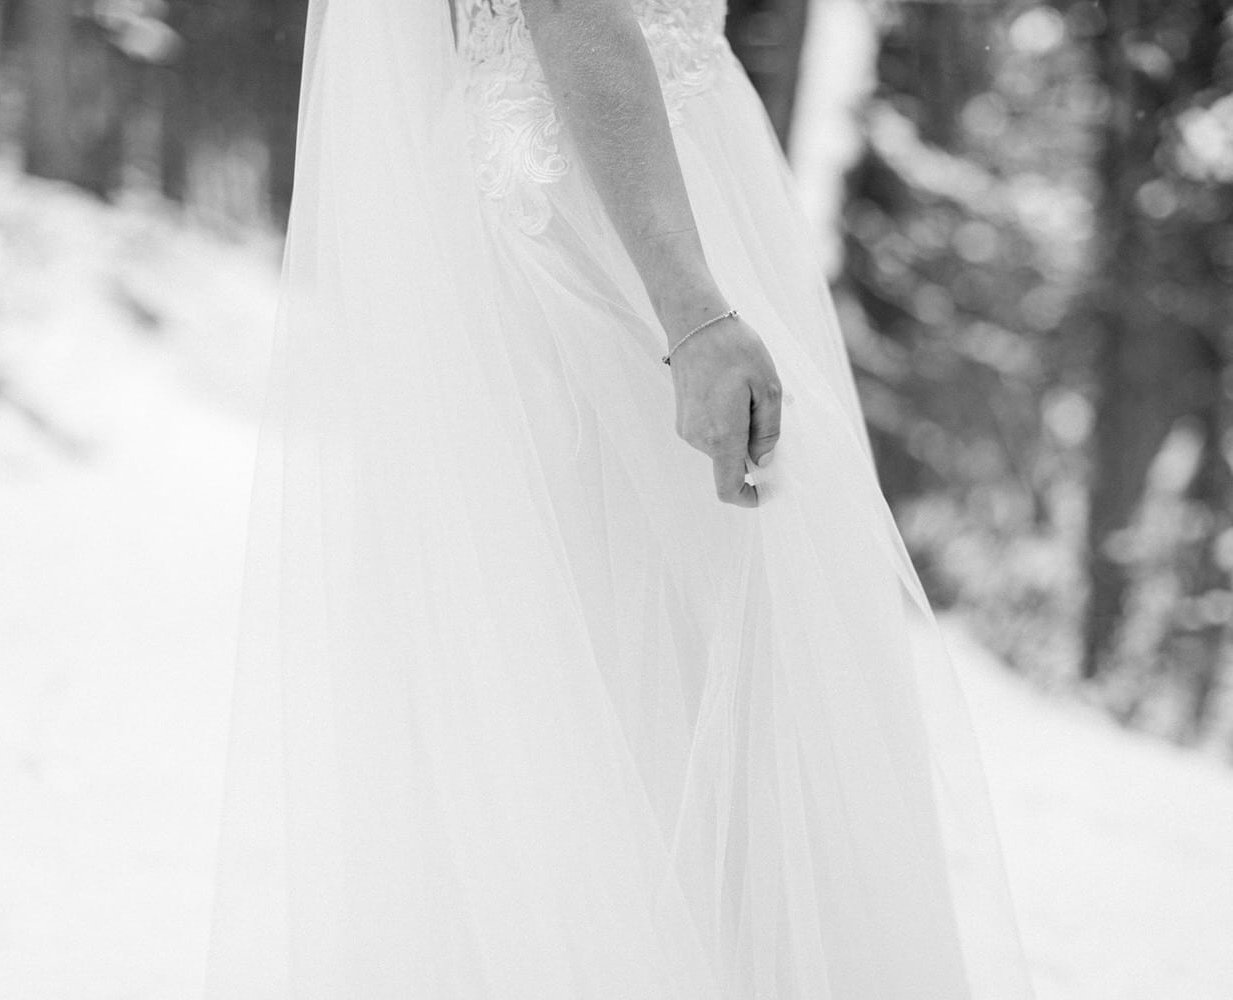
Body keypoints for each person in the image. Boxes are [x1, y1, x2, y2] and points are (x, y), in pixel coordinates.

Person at [201, 0, 1036, 996]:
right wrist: (693, 315)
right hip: (607, 232)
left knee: (620, 688)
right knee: (674, 684)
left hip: (619, 184)